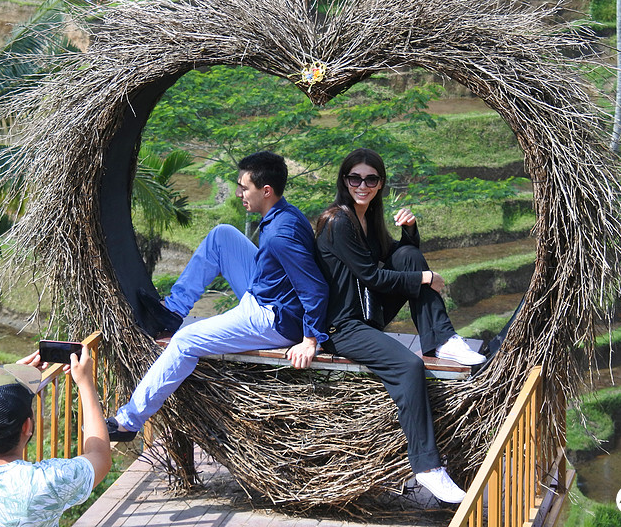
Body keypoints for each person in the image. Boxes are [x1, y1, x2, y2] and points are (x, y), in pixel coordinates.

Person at [106, 150, 329, 441]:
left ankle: (129, 421)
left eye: (244, 187)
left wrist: (310, 340)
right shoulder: (284, 213)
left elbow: (315, 288)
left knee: (185, 342)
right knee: (223, 235)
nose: (239, 193)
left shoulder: (281, 235)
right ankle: (173, 310)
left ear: (266, 190)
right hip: (265, 291)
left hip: (271, 317)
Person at [314, 148, 485, 505]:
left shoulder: (368, 220)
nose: (363, 185)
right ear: (344, 181)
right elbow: (374, 275)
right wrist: (427, 277)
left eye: (371, 179)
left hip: (367, 312)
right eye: (355, 178)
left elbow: (397, 262)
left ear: (380, 184)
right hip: (343, 326)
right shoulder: (337, 221)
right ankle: (426, 467)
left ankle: (442, 340)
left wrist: (410, 233)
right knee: (409, 366)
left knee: (407, 255)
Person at [0, 346, 112, 527]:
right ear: (27, 426)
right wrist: (86, 383)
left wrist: (5, 382)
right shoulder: (45, 483)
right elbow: (100, 457)